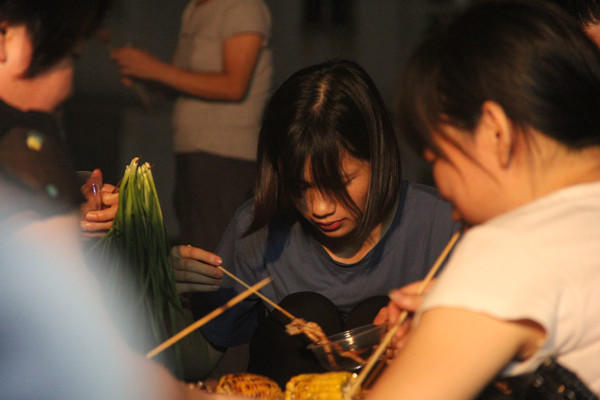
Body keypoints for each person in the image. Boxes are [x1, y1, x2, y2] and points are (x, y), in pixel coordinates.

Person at [0, 1, 241, 398]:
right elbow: (93, 357)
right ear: (5, 37)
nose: (69, 84)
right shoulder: (25, 148)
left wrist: (73, 201)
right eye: (70, 57)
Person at [172, 59, 459, 386]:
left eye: (339, 183)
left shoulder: (442, 224)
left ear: (378, 156)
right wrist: (162, 290)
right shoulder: (259, 230)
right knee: (305, 310)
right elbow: (193, 365)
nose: (319, 208)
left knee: (379, 315)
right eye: (300, 186)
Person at [368, 1, 600, 398]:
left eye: (437, 157)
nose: (441, 187)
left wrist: (473, 292)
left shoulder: (512, 248)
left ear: (495, 130)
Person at [111, 0, 273, 252]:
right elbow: (181, 80)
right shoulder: (195, 8)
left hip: (225, 156)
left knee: (212, 255)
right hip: (193, 153)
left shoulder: (241, 6)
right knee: (194, 245)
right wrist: (144, 73)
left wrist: (153, 69)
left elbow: (233, 86)